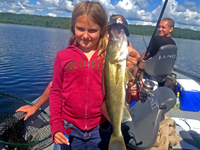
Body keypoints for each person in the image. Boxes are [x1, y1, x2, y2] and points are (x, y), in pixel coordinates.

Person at [49, 2, 140, 150]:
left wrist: (134, 78)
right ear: (73, 27)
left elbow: (128, 94)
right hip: (70, 128)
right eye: (80, 29)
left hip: (100, 128)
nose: (85, 35)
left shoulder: (108, 57)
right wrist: (56, 125)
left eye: (92, 30)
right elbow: (55, 92)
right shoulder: (63, 56)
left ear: (103, 29)